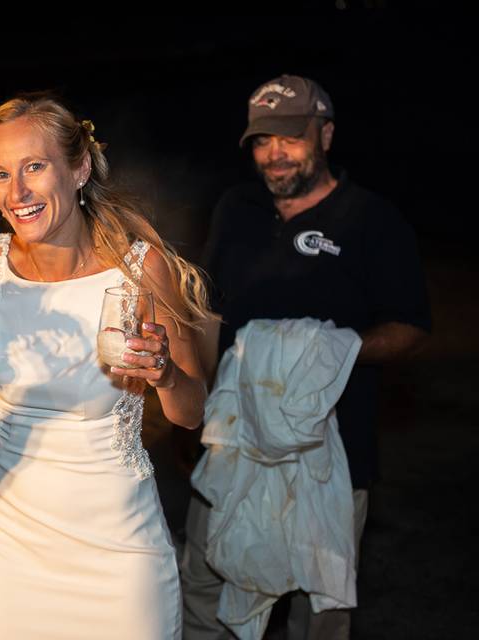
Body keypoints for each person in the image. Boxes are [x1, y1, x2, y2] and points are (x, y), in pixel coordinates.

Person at [0, 95, 210, 639]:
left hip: (121, 553)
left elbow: (191, 414)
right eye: (1, 174)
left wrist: (165, 374)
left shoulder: (143, 269)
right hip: (17, 553)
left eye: (34, 167)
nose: (16, 193)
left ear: (79, 168)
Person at [181, 74, 431, 639]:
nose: (275, 154)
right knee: (205, 578)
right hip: (236, 435)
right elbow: (210, 312)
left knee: (320, 604)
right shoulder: (236, 209)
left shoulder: (372, 220)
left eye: (291, 138)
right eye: (263, 141)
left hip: (333, 446)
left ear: (326, 135)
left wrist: (325, 353)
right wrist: (195, 399)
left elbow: (412, 328)